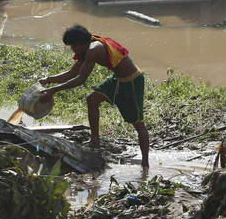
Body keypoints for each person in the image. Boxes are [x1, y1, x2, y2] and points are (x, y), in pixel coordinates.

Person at [39, 24, 150, 169]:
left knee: (138, 124)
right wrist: (48, 80)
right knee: (92, 100)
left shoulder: (93, 50)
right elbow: (72, 72)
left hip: (132, 80)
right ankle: (95, 141)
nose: (72, 49)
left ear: (79, 43)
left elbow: (80, 79)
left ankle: (145, 165)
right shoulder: (87, 46)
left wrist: (54, 90)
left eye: (73, 46)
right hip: (118, 79)